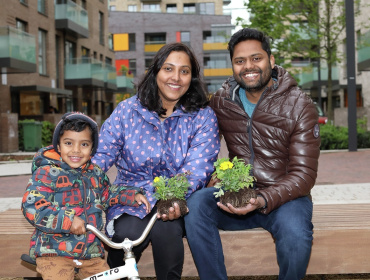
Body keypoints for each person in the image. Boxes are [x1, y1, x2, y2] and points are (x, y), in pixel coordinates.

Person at [184, 28, 321, 280]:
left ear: (271, 60)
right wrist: (210, 177)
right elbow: (196, 138)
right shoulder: (222, 102)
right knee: (196, 205)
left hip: (286, 199)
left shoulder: (300, 106)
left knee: (296, 237)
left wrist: (261, 199)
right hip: (236, 196)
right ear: (233, 66)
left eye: (256, 58)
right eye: (240, 61)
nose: (248, 66)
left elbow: (305, 175)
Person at [92, 42, 220, 280]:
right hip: (131, 197)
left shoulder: (202, 117)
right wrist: (76, 182)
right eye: (168, 69)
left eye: (184, 71)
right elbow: (102, 154)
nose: (176, 78)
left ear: (192, 78)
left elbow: (198, 166)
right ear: (155, 72)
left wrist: (173, 195)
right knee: (125, 237)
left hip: (174, 199)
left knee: (167, 236)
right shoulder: (127, 111)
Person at [21, 112, 149, 280]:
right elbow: (32, 205)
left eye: (84, 144)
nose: (76, 150)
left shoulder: (95, 174)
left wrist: (130, 195)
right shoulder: (46, 174)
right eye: (68, 143)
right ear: (58, 146)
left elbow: (107, 194)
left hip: (91, 252)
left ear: (92, 149)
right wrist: (68, 220)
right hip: (55, 252)